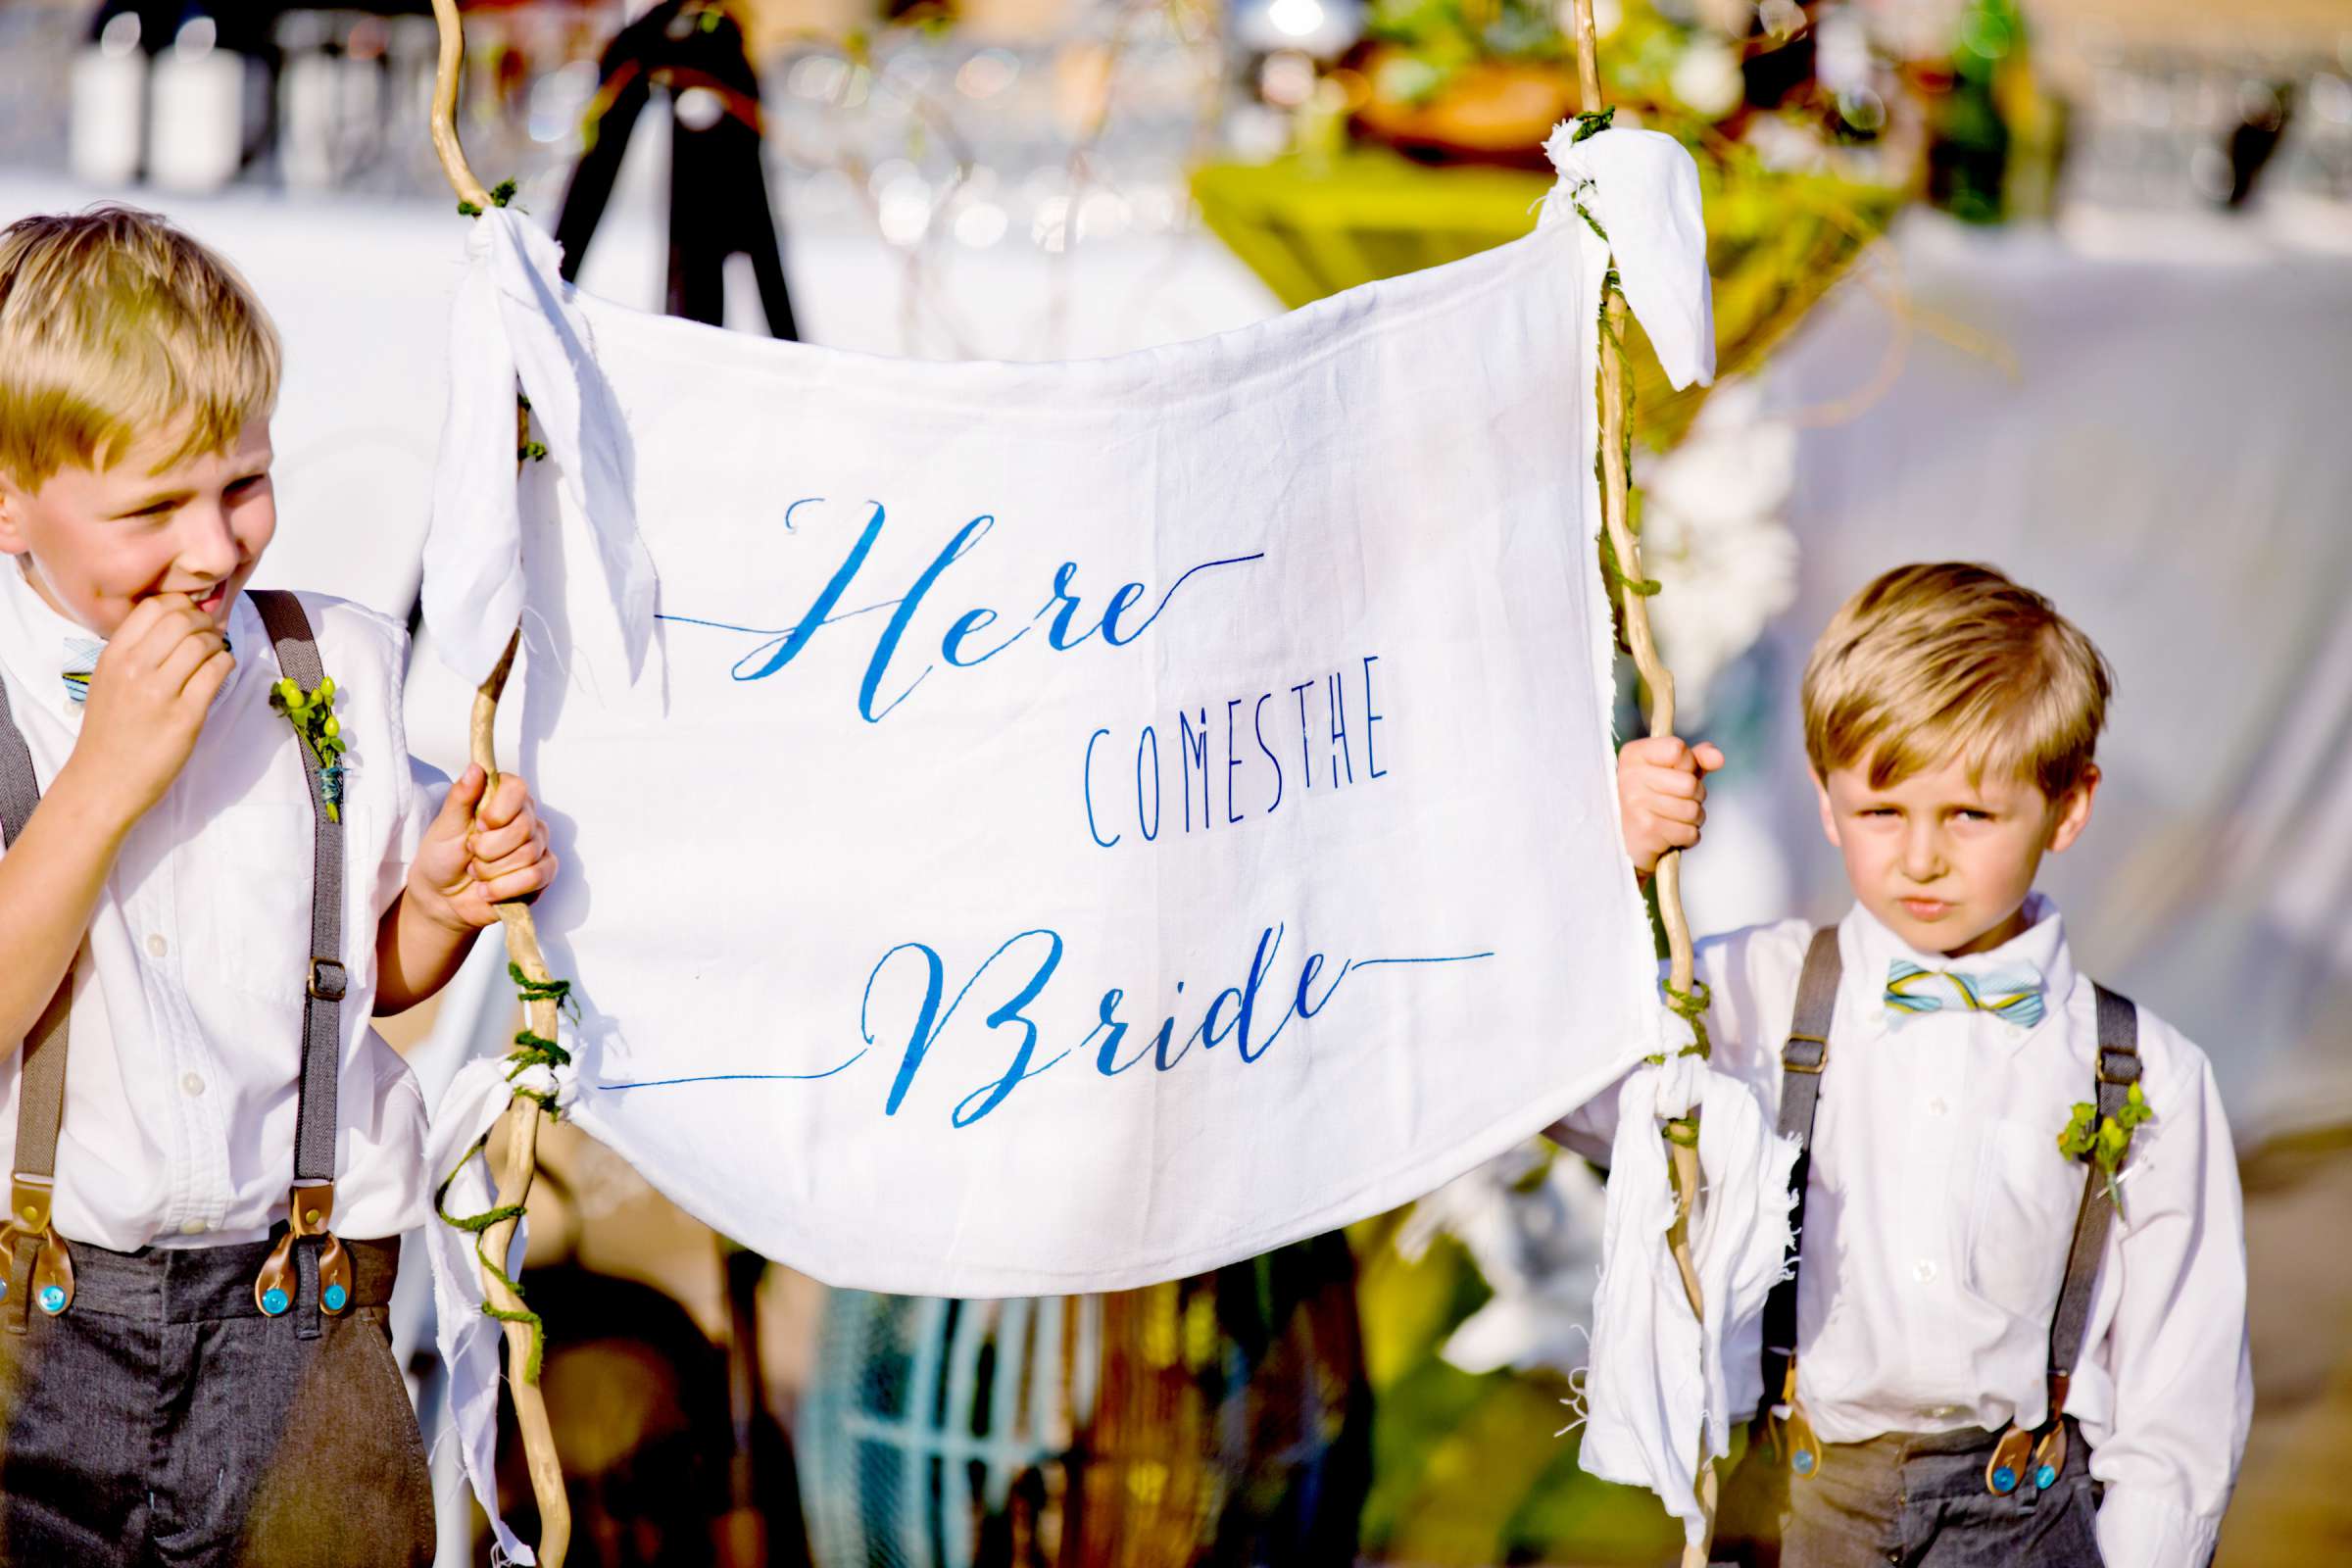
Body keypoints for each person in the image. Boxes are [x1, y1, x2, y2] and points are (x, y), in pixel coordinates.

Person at [0, 206, 556, 1564]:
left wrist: (432, 905)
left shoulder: (332, 673)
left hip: (301, 1316)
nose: (213, 547)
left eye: (241, 484)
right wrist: (100, 782)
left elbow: (360, 980)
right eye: (150, 509)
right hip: (34, 1330)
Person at [1564, 563, 2250, 1567]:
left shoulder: (2148, 1073)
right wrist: (1611, 862)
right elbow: (1572, 1087)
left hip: (2027, 1514)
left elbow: (2177, 1402)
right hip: (1802, 1514)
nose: (1922, 857)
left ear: (2066, 806)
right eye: (1883, 811)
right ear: (1829, 801)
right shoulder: (1755, 994)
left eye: (1970, 815)